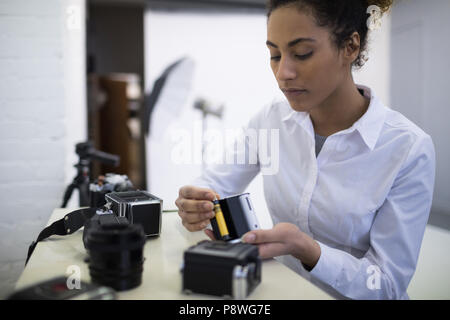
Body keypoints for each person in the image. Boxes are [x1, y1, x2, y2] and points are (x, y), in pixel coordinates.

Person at [175, 0, 435, 300]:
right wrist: (196, 203)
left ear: (350, 46)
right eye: (274, 54)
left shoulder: (408, 148)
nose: (283, 72)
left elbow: (387, 286)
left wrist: (309, 251)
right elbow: (216, 184)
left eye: (302, 53)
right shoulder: (271, 120)